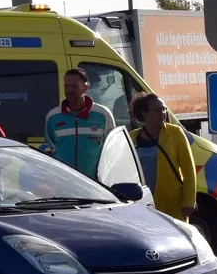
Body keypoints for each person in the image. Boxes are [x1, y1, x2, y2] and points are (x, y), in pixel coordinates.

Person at [129, 92, 199, 220]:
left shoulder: (175, 133)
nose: (162, 113)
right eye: (157, 110)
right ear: (144, 113)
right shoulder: (133, 137)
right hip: (142, 203)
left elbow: (189, 170)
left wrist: (189, 202)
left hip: (171, 204)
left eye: (164, 109)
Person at [44, 67, 114, 180]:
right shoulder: (53, 117)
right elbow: (52, 149)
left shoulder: (103, 115)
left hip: (95, 185)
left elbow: (111, 151)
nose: (69, 90)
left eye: (74, 86)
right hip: (64, 184)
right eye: (66, 86)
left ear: (85, 88)